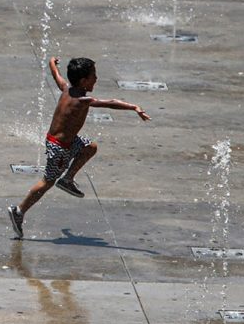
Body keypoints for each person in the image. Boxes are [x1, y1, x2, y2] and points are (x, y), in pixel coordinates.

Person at [8, 57, 151, 239]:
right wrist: (134, 107)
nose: (96, 79)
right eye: (94, 76)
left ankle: (67, 179)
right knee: (48, 181)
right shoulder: (84, 100)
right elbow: (111, 102)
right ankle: (19, 211)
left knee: (90, 147)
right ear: (83, 81)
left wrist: (52, 62)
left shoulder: (67, 88)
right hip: (59, 147)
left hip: (66, 141)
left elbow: (56, 75)